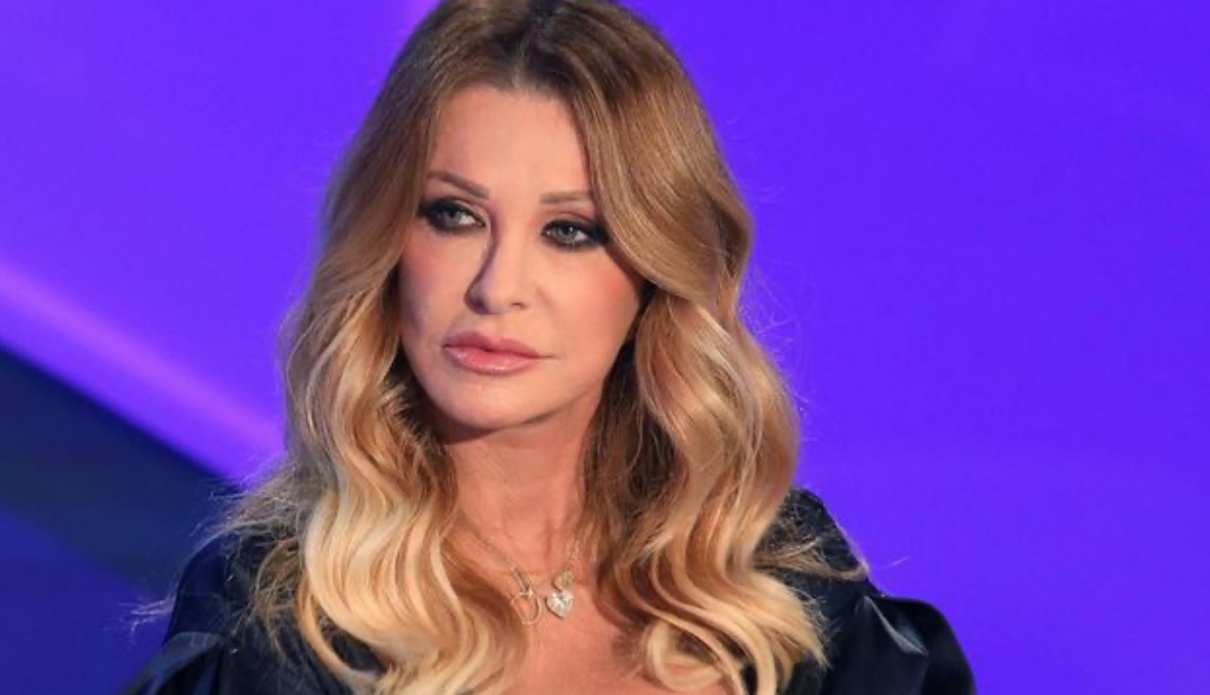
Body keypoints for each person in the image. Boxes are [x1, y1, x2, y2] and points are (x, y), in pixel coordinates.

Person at [121, 1, 974, 694]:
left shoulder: (778, 579)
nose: (498, 287)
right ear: (388, 243)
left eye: (570, 230)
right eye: (454, 215)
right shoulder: (282, 612)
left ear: (653, 273)